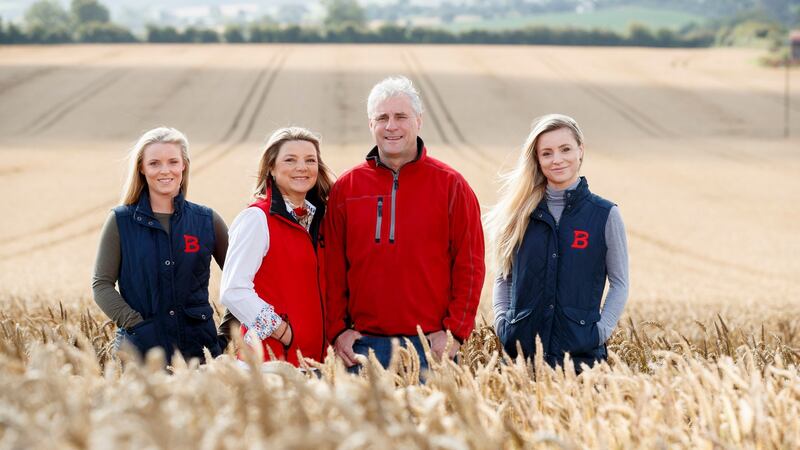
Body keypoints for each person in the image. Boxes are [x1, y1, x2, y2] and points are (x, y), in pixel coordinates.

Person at [324, 76, 485, 371]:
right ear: (371, 124)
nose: (391, 126)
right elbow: (331, 266)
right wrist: (337, 331)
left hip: (431, 347)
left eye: (401, 116)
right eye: (382, 117)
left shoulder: (452, 186)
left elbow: (470, 265)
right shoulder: (347, 188)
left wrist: (454, 333)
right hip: (362, 347)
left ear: (419, 121)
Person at [486, 113, 629, 371]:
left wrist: (599, 333)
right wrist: (503, 325)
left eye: (565, 149)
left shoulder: (604, 215)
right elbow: (503, 277)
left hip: (581, 360)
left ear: (580, 150)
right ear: (538, 160)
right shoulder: (518, 214)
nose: (557, 160)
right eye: (547, 153)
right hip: (522, 359)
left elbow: (620, 283)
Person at [92, 127, 228, 362]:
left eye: (173, 162)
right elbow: (101, 285)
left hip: (200, 352)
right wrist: (139, 328)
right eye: (154, 163)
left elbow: (242, 280)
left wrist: (225, 335)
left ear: (184, 165)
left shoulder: (207, 220)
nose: (165, 171)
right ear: (142, 168)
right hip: (140, 354)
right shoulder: (121, 221)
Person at [220, 127, 334, 366]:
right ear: (271, 168)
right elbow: (233, 289)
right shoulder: (256, 219)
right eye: (290, 160)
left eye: (310, 160)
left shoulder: (322, 221)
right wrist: (283, 332)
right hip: (269, 364)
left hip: (317, 362)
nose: (302, 167)